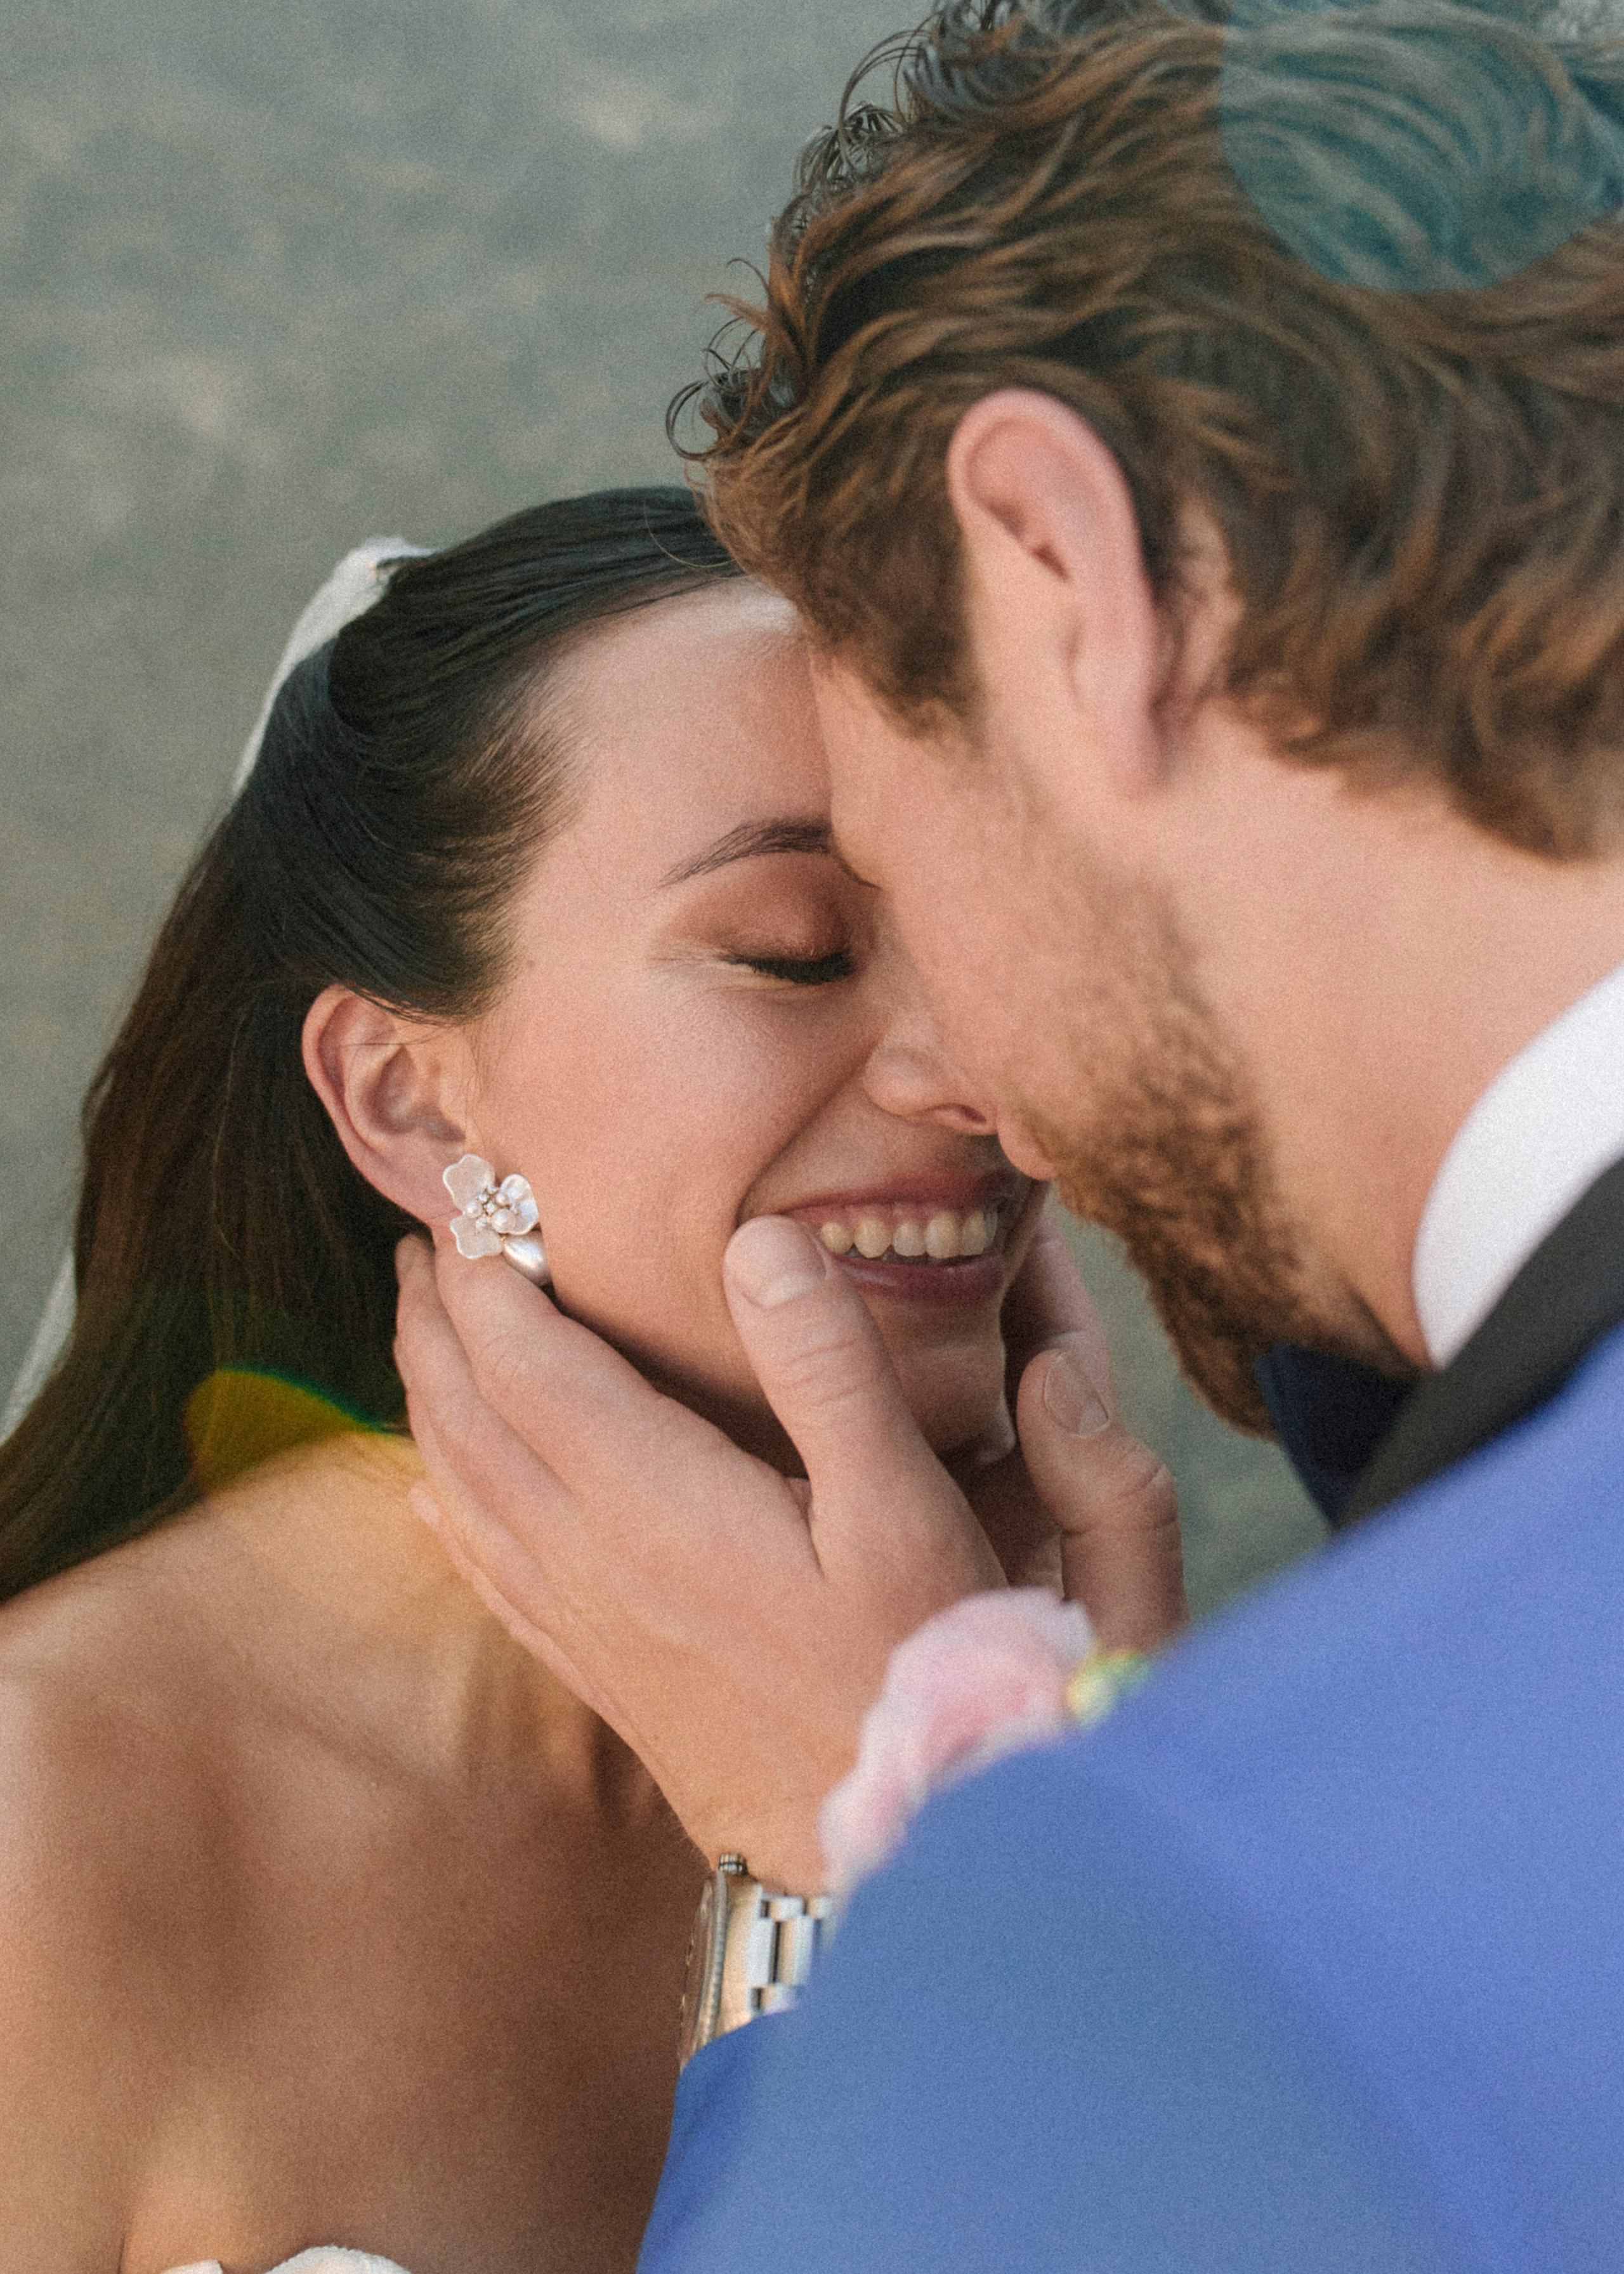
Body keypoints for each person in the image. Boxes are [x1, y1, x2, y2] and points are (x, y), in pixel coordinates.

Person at [391, 4, 1624, 2268]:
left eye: (888, 839)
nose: (962, 1080)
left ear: (1071, 578)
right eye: (790, 940)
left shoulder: (1193, 1934)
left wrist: (890, 1875)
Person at [0, 483, 1184, 2273]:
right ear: (406, 1094)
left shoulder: (1089, 1711)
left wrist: (1090, 1851)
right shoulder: (48, 1825)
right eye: (795, 950)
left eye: (1003, 932)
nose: (989, 1075)